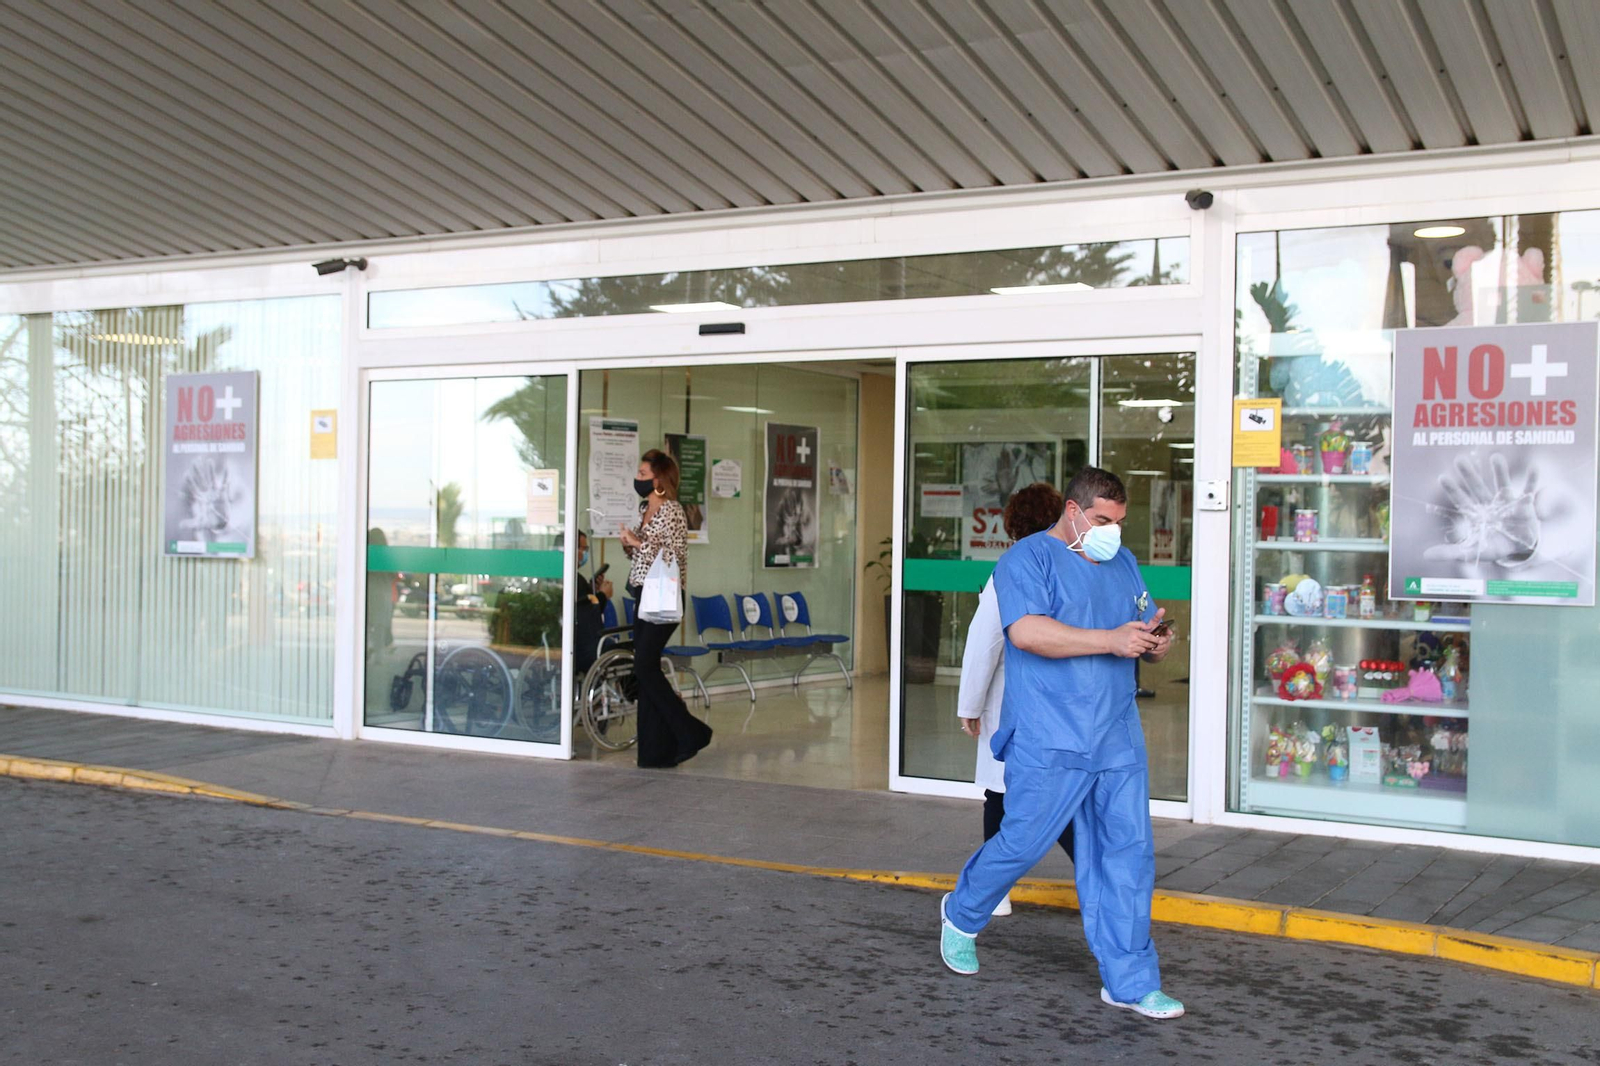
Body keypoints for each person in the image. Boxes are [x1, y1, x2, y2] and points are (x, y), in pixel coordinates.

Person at [938, 466, 1184, 1021]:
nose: (1113, 533)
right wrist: (1111, 639)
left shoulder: (1120, 561)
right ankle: (963, 911)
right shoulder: (1025, 560)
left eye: (1119, 522)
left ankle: (1130, 980)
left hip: (1116, 735)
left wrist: (1151, 644)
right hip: (1050, 734)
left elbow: (1135, 624)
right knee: (1021, 841)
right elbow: (1025, 632)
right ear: (1072, 511)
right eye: (1102, 520)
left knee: (1127, 855)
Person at [955, 482, 1072, 918]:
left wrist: (969, 704)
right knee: (1061, 794)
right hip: (1062, 707)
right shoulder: (1074, 567)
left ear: (1012, 524)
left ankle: (991, 892)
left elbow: (984, 643)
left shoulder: (1011, 567)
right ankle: (1101, 888)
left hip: (1014, 705)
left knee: (1001, 797)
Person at [619, 449, 713, 769]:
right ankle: (654, 753)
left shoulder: (672, 510)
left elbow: (669, 553)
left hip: (665, 595)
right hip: (643, 593)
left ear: (659, 480)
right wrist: (628, 544)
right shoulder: (646, 508)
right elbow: (643, 557)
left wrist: (636, 542)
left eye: (643, 475)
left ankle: (690, 731)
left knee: (645, 665)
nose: (638, 479)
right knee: (645, 670)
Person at [572, 530, 613, 679]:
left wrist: (592, 589)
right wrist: (603, 595)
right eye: (582, 549)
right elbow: (588, 615)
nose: (584, 553)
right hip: (584, 647)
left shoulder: (566, 577)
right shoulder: (575, 579)